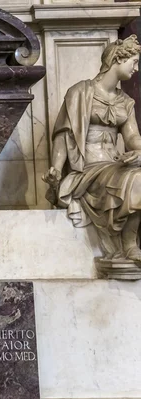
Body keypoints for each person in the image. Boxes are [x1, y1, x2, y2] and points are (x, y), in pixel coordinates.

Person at [44, 35, 141, 261]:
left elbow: (133, 137)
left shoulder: (125, 102)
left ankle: (130, 239)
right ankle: (128, 243)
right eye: (134, 62)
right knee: (138, 179)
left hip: (114, 166)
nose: (136, 69)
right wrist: (56, 170)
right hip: (87, 169)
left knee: (137, 175)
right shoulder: (80, 92)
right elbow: (64, 135)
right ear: (118, 58)